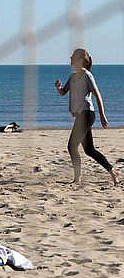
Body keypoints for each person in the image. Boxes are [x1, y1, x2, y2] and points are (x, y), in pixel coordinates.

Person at [55, 48, 120, 185]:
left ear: (80, 60)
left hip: (87, 114)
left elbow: (97, 94)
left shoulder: (87, 75)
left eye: (73, 56)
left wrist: (102, 115)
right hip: (80, 115)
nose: (70, 58)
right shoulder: (72, 76)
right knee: (89, 150)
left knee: (72, 146)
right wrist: (58, 87)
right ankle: (112, 171)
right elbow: (63, 93)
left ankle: (77, 179)